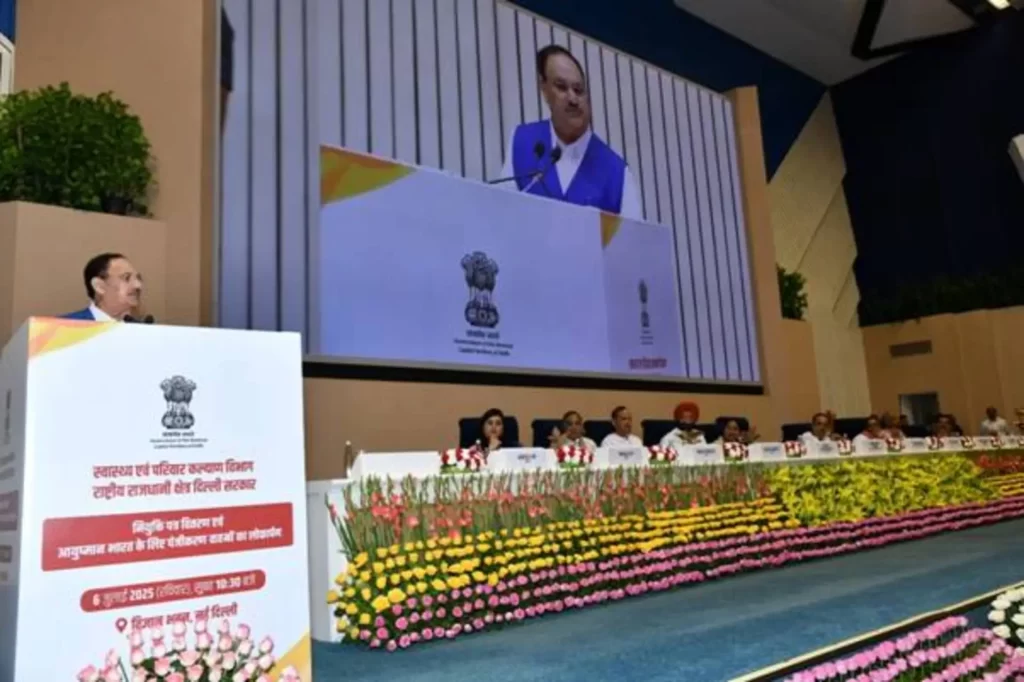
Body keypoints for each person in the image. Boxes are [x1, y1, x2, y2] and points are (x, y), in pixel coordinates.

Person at [498, 45, 642, 220]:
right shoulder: (521, 141)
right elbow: (502, 215)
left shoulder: (617, 172)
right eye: (561, 87)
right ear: (544, 90)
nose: (573, 99)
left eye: (578, 90)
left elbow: (634, 243)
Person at [62, 253, 143, 321]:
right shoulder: (63, 327)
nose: (138, 285)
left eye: (138, 278)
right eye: (126, 278)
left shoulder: (144, 331)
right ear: (99, 286)